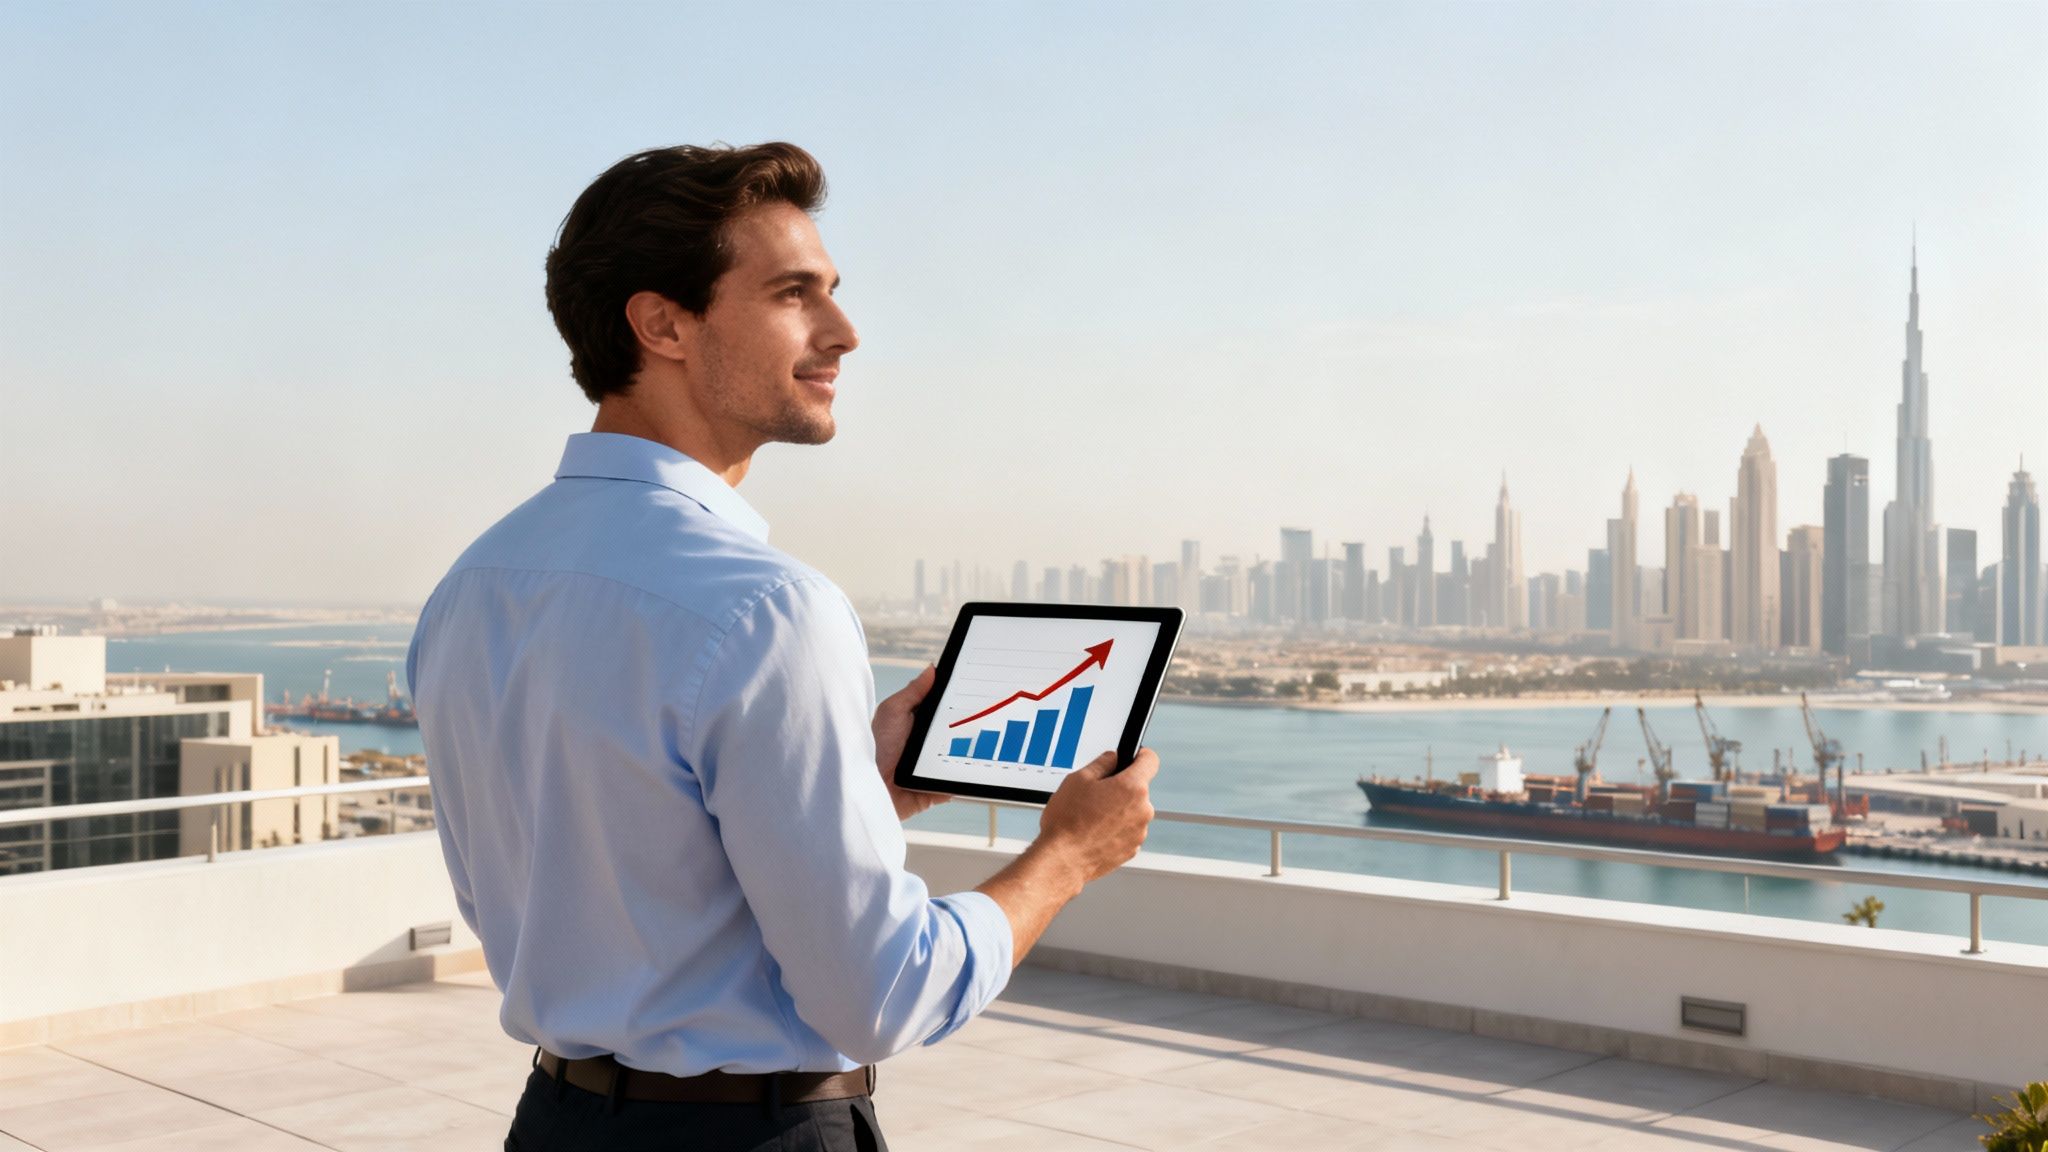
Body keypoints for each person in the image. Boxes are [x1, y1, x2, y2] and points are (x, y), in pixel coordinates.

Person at [406, 142, 1160, 1152]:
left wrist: (861, 787)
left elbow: (612, 874)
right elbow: (882, 996)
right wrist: (1068, 855)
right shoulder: (764, 607)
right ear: (662, 323)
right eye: (793, 294)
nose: (842, 333)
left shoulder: (474, 583)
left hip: (555, 1124)